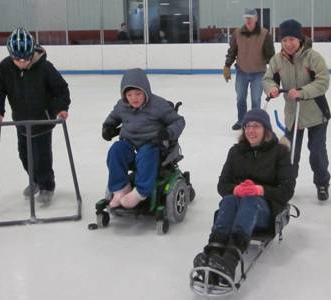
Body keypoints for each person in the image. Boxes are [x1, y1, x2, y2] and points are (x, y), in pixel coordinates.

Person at [193, 108, 295, 286]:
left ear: (266, 130)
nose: (250, 130)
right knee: (230, 199)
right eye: (247, 126)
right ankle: (213, 253)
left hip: (265, 209)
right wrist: (237, 189)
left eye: (256, 126)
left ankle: (230, 260)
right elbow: (222, 185)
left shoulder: (280, 152)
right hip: (237, 205)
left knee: (250, 201)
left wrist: (259, 190)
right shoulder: (236, 151)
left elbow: (286, 191)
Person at [0, 28, 71, 203]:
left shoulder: (45, 67)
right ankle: (34, 180)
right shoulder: (5, 67)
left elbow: (61, 89)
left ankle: (46, 186)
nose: (22, 62)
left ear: (32, 52)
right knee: (24, 154)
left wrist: (61, 108)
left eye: (25, 58)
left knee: (42, 157)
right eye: (17, 59)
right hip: (21, 120)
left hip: (42, 120)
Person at [263, 19, 331, 201]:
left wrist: (303, 92)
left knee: (317, 153)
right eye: (284, 40)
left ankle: (322, 183)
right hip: (293, 115)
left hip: (316, 113)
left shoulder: (312, 57)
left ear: (300, 39)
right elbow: (268, 78)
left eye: (292, 39)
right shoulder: (277, 59)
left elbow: (323, 81)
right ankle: (288, 184)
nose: (288, 44)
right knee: (290, 153)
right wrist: (271, 88)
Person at [102, 68, 185, 209]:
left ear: (146, 91)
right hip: (129, 144)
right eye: (129, 95)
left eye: (138, 93)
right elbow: (113, 118)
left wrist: (167, 133)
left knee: (146, 154)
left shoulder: (158, 105)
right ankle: (121, 188)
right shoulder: (121, 106)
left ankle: (140, 192)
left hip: (152, 143)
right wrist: (108, 128)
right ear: (124, 95)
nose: (134, 98)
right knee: (115, 150)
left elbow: (178, 121)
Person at [223, 8, 275, 131]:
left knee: (256, 100)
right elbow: (232, 51)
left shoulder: (264, 34)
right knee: (240, 98)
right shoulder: (237, 33)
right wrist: (227, 65)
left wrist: (274, 72)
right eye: (246, 17)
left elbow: (270, 55)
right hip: (242, 71)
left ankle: (254, 122)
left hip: (259, 73)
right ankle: (242, 121)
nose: (248, 20)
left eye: (251, 17)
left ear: (256, 18)